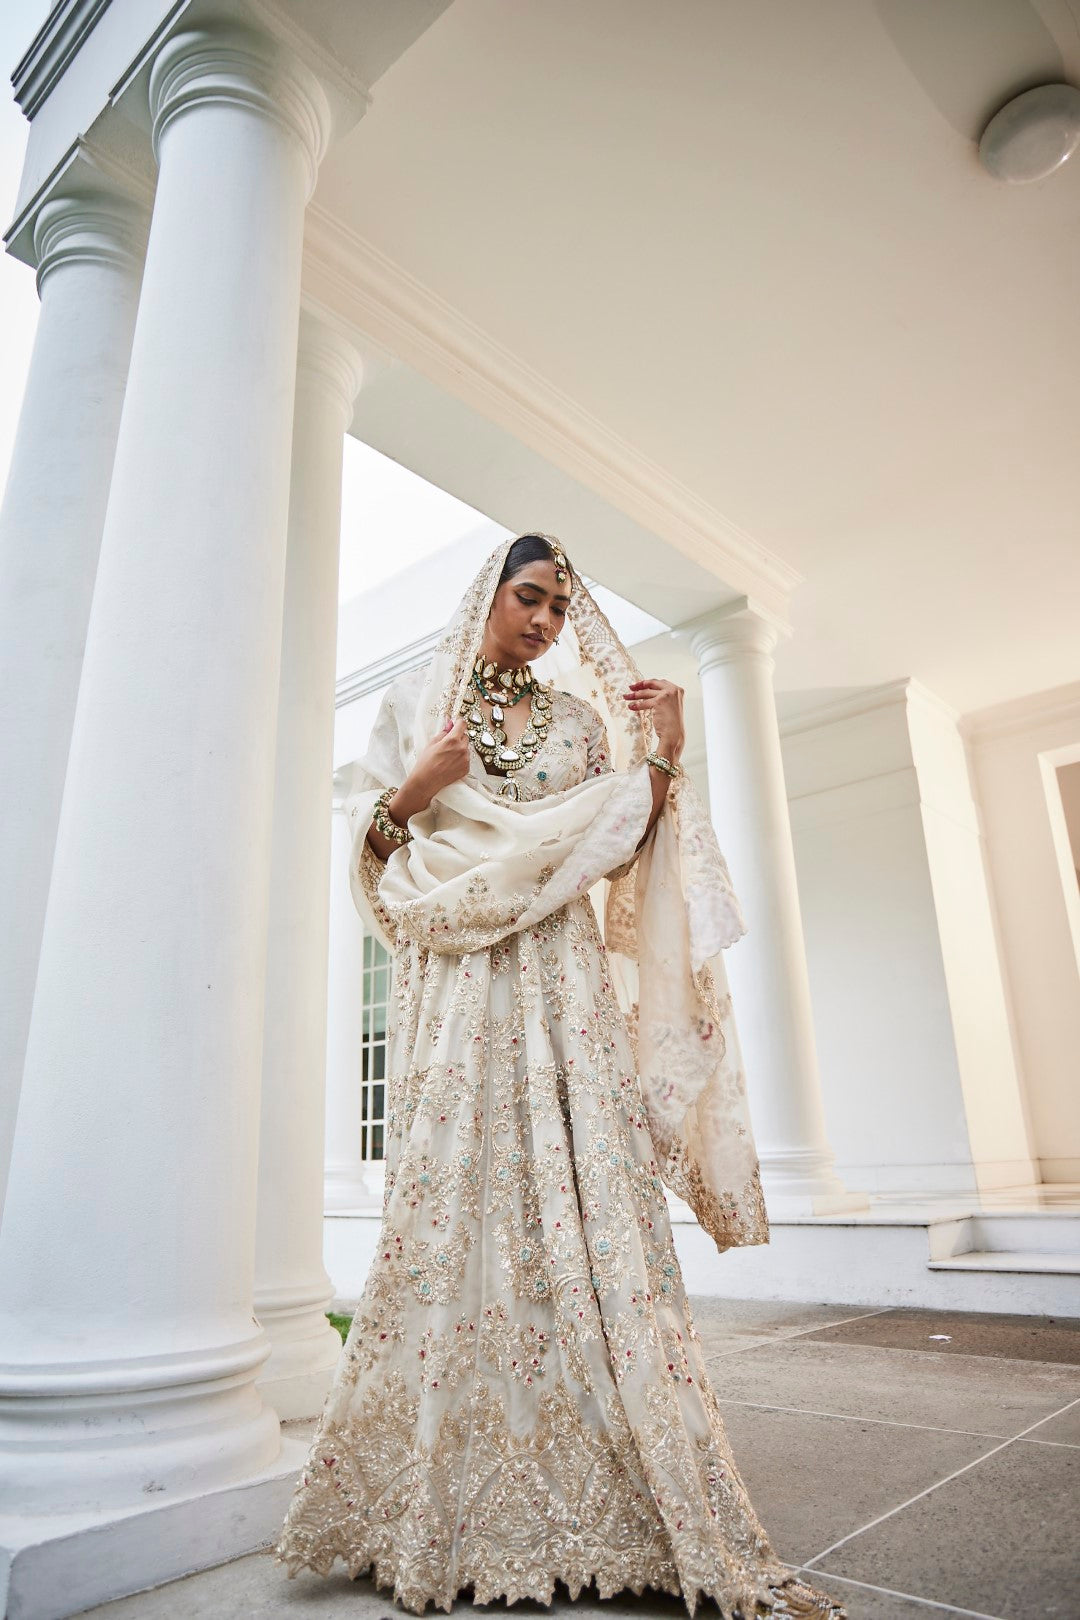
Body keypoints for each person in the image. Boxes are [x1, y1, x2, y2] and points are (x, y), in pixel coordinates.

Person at [273, 534, 844, 1619]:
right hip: (458, 990)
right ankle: (443, 1486)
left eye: (557, 608)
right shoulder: (417, 706)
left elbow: (620, 841)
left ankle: (603, 1475)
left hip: (560, 987)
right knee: (457, 1204)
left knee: (581, 1208)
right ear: (486, 596)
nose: (542, 621)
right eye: (527, 597)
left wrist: (666, 750)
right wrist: (415, 787)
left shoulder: (582, 725)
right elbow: (377, 866)